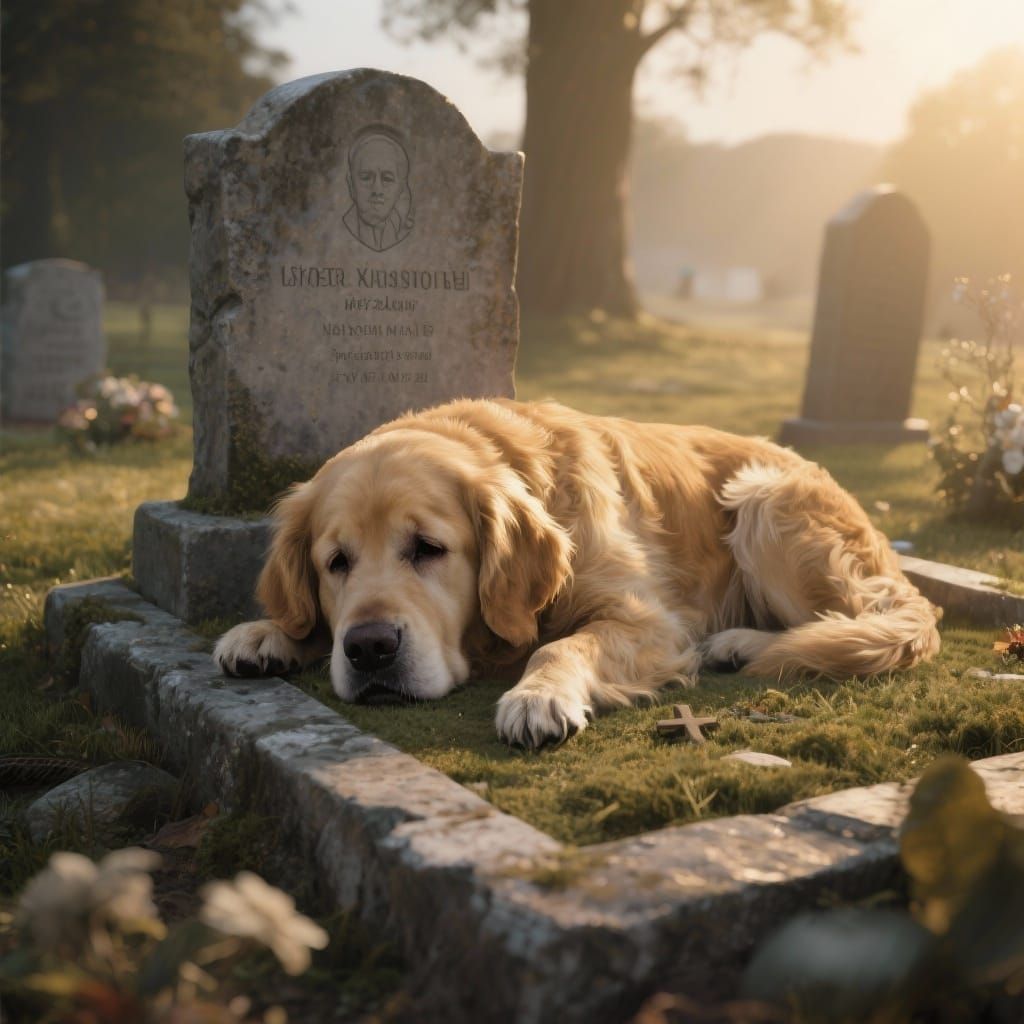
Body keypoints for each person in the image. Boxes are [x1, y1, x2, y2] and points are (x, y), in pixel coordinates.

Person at [343, 131, 413, 251]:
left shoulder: (403, 229)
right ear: (351, 184)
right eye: (366, 177)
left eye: (387, 179)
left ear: (401, 188)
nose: (377, 189)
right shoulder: (336, 230)